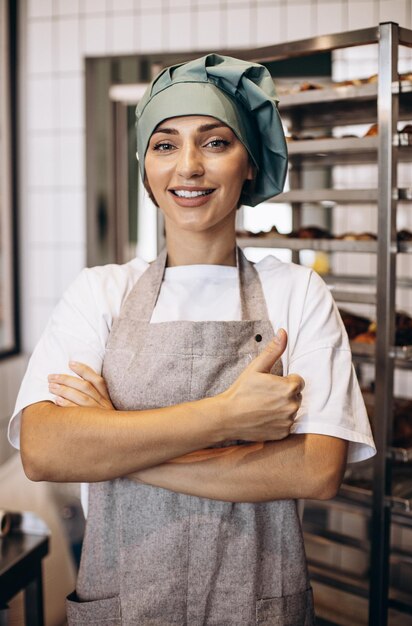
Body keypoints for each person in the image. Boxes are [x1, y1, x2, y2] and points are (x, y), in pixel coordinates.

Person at [9, 54, 375, 625]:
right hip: (124, 607)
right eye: (164, 145)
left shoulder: (298, 292)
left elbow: (315, 469)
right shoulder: (100, 292)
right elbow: (45, 449)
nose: (188, 168)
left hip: (260, 607)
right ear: (145, 167)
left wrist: (115, 451)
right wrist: (226, 418)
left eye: (214, 143)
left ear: (249, 164)